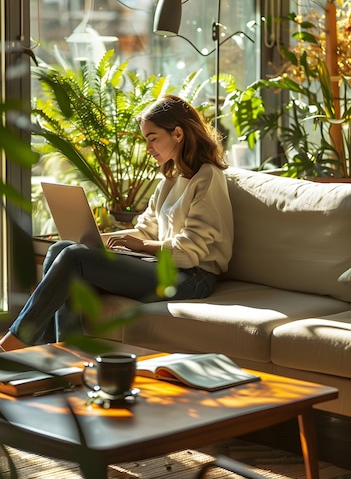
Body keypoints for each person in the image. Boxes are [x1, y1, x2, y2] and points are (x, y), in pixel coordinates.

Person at [0, 94, 234, 351]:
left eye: (152, 138)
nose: (148, 148)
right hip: (162, 265)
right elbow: (147, 228)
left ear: (178, 133)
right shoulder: (171, 178)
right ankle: (64, 351)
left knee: (75, 258)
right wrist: (102, 241)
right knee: (61, 249)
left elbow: (192, 251)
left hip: (193, 277)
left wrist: (143, 246)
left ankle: (16, 343)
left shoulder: (208, 176)